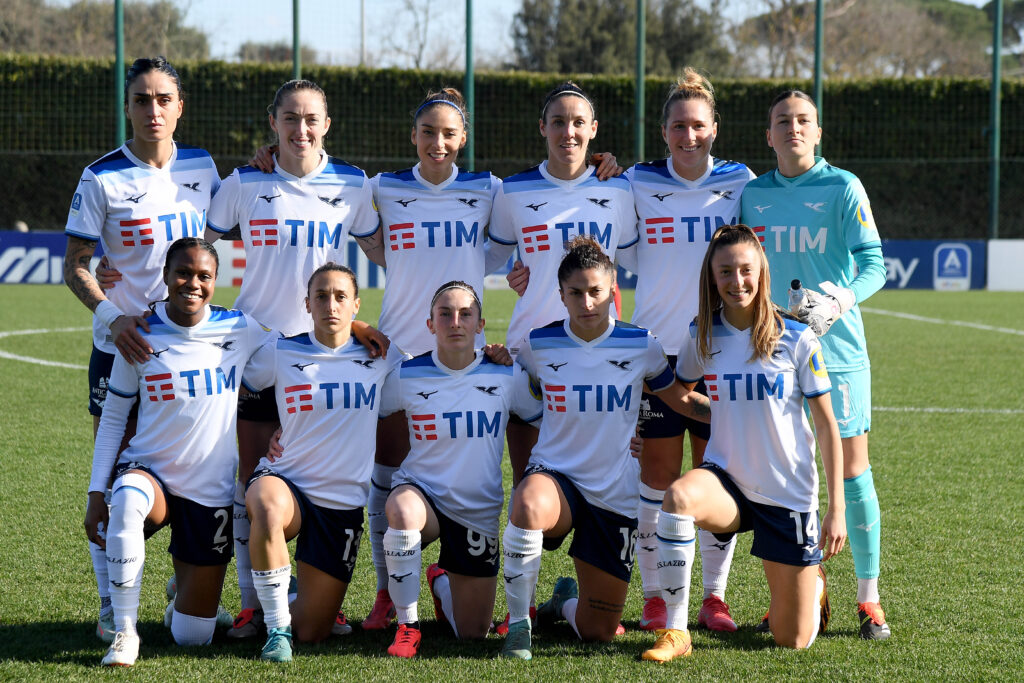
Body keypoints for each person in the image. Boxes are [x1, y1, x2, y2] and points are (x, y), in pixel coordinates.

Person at [204, 78, 383, 639]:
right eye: (290, 118)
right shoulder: (245, 182)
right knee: (252, 483)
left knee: (328, 477)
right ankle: (254, 602)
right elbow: (196, 250)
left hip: (326, 355)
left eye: (311, 119)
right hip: (260, 353)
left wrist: (356, 318)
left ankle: (318, 596)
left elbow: (385, 251)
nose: (300, 129)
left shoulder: (353, 184)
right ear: (273, 122)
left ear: (327, 125)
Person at [63, 56, 221, 644]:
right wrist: (112, 313)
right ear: (127, 107)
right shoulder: (101, 177)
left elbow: (236, 217)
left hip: (192, 351)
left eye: (163, 99)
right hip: (124, 351)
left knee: (194, 468)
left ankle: (184, 587)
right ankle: (110, 603)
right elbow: (76, 265)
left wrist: (264, 164)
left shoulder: (204, 168)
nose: (152, 110)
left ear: (180, 106)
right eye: (141, 100)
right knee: (115, 472)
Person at [641, 224, 846, 662]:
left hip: (786, 493)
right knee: (677, 497)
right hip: (727, 481)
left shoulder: (796, 337)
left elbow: (826, 425)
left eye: (746, 270)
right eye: (726, 272)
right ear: (712, 278)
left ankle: (814, 581)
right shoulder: (704, 332)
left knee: (792, 640)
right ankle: (677, 631)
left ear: (762, 271)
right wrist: (656, 376)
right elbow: (682, 391)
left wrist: (836, 508)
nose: (737, 282)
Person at [499, 236, 709, 661]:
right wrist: (493, 359)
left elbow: (681, 401)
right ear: (560, 295)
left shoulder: (641, 344)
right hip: (556, 478)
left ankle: (562, 602)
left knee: (598, 631)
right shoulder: (538, 346)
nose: (587, 301)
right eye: (575, 292)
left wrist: (745, 413)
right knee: (527, 501)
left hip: (613, 493)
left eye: (595, 291)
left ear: (612, 290)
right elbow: (520, 399)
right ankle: (519, 625)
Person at [740, 91, 890, 640]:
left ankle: (869, 599)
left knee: (851, 469)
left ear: (818, 131)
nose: (794, 128)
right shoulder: (752, 195)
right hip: (773, 353)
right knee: (780, 470)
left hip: (840, 353)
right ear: (769, 135)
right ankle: (800, 585)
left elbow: (875, 264)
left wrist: (841, 301)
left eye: (804, 120)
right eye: (783, 121)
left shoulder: (843, 187)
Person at [84, 238, 276, 667]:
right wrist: (98, 492)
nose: (193, 283)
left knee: (193, 637)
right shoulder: (139, 332)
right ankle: (124, 631)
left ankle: (181, 598)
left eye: (203, 276)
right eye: (183, 273)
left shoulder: (238, 327)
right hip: (149, 472)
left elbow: (300, 348)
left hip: (209, 491)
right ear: (166, 277)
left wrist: (355, 328)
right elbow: (115, 417)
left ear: (215, 281)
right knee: (128, 498)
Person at [487, 84, 634, 632]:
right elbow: (489, 252)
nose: (568, 132)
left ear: (593, 131)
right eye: (558, 122)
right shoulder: (514, 191)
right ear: (542, 128)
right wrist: (509, 273)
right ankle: (514, 611)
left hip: (600, 364)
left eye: (578, 122)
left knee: (600, 486)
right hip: (533, 360)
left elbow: (642, 252)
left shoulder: (619, 189)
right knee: (536, 511)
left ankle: (574, 596)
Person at [359, 88, 502, 630]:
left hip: (463, 348)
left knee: (466, 465)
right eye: (427, 133)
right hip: (399, 348)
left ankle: (455, 572)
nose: (437, 143)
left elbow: (505, 247)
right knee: (388, 472)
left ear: (462, 138)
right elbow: (360, 234)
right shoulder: (385, 188)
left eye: (448, 134)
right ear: (413, 137)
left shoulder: (490, 190)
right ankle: (385, 591)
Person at [619, 68, 755, 633]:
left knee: (712, 476)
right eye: (679, 126)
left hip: (717, 353)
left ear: (714, 128)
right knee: (655, 476)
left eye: (698, 125)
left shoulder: (741, 183)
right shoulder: (635, 181)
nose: (689, 136)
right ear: (664, 130)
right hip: (657, 355)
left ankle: (713, 597)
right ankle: (655, 597)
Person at [240, 262, 403, 662]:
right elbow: (231, 381)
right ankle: (277, 630)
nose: (331, 304)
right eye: (321, 296)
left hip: (341, 503)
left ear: (355, 305)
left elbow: (441, 370)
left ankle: (287, 592)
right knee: (264, 502)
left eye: (340, 297)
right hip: (286, 480)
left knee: (312, 631)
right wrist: (274, 432)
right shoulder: (281, 351)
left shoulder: (382, 355)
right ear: (307, 304)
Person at [378, 281, 542, 658]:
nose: (456, 322)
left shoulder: (506, 375)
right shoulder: (406, 375)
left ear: (480, 324)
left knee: (472, 634)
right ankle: (407, 626)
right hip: (423, 495)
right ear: (430, 324)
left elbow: (539, 420)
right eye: (445, 314)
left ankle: (439, 581)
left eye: (465, 314)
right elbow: (360, 414)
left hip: (477, 511)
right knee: (401, 510)